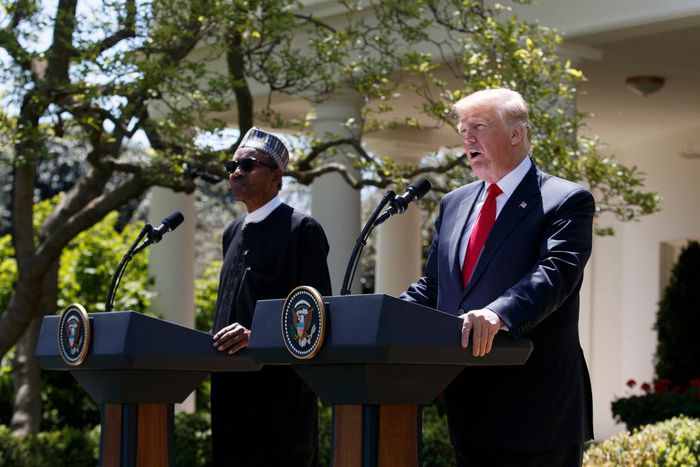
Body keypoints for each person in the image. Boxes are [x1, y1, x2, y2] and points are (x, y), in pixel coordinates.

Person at [401, 89, 594, 466]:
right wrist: (381, 315)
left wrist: (498, 314)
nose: (467, 139)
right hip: (469, 407)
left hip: (537, 411)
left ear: (516, 133)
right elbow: (436, 287)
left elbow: (555, 273)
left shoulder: (565, 199)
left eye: (479, 127)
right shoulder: (454, 203)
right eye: (462, 131)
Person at [210, 127, 332, 467]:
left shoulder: (301, 229)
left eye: (248, 164)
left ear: (276, 176)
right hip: (228, 391)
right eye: (232, 165)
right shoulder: (232, 232)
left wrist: (258, 337)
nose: (236, 172)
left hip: (278, 400)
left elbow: (315, 317)